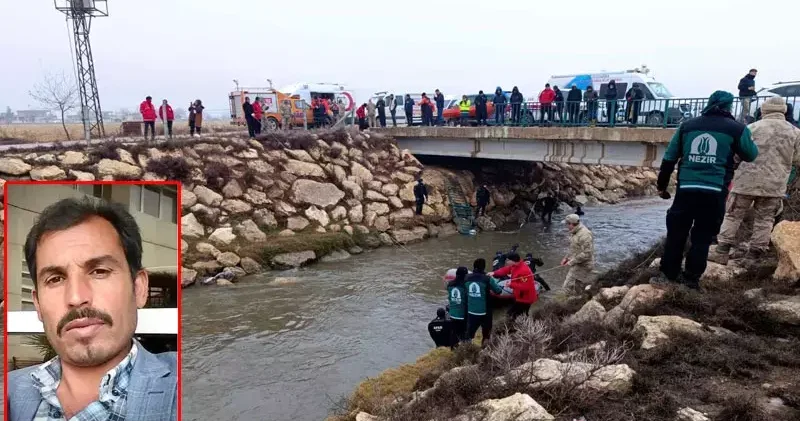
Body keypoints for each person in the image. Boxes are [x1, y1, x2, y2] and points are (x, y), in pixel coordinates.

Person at [8, 197, 177, 420]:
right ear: (37, 303)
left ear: (139, 288)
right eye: (56, 279)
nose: (77, 298)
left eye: (99, 271)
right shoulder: (11, 391)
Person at [654, 90, 759, 288]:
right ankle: (691, 280)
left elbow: (669, 158)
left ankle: (668, 275)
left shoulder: (687, 126)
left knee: (676, 233)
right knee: (702, 237)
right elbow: (751, 154)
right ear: (729, 106)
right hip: (715, 191)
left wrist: (662, 186)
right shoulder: (737, 129)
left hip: (686, 189)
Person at [709, 97, 800, 264]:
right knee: (765, 219)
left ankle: (722, 251)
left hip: (745, 181)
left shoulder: (751, 128)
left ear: (763, 110)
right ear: (784, 111)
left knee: (733, 215)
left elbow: (736, 155)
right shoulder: (794, 132)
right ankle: (754, 255)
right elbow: (797, 160)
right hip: (775, 184)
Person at [465, 258, 503, 347]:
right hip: (485, 311)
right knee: (486, 333)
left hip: (471, 311)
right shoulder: (487, 279)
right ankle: (484, 349)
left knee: (469, 333)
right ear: (484, 267)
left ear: (474, 266)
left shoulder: (466, 278)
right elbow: (498, 291)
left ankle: (467, 349)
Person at [489, 253, 537, 322]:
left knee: (512, 314)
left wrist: (511, 284)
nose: (506, 262)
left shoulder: (524, 271)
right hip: (519, 296)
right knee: (519, 313)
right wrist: (494, 273)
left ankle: (520, 327)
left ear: (513, 260)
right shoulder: (515, 265)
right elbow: (506, 269)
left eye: (508, 260)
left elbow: (526, 287)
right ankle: (524, 325)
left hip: (526, 298)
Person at [560, 214, 595, 294]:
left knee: (567, 287)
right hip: (577, 263)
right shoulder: (574, 232)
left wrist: (572, 261)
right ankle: (580, 300)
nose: (566, 226)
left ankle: (565, 304)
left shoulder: (585, 234)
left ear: (571, 224)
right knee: (577, 287)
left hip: (584, 265)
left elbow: (587, 253)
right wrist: (566, 258)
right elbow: (573, 248)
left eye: (567, 224)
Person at [446, 267, 469, 346]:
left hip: (452, 313)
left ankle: (453, 349)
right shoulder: (466, 285)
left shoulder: (450, 284)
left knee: (454, 333)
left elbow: (449, 297)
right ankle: (463, 350)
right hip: (463, 314)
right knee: (463, 332)